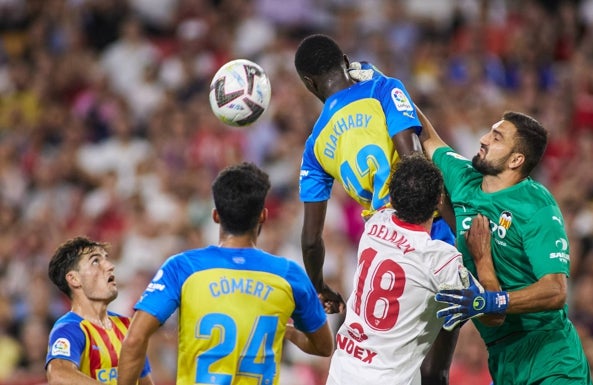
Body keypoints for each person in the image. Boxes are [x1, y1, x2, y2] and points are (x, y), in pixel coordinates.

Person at [294, 34, 456, 384]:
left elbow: (310, 239)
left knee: (378, 358)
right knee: (434, 369)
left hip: (381, 245)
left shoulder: (314, 146)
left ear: (309, 83)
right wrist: (454, 226)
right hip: (429, 232)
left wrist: (320, 286)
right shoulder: (382, 90)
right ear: (345, 59)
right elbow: (414, 160)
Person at [414, 108, 593, 384]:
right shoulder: (464, 178)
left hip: (551, 357)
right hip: (502, 360)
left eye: (496, 137)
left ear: (516, 159)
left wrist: (491, 300)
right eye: (490, 131)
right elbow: (427, 136)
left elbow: (555, 290)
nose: (484, 139)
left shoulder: (537, 207)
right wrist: (384, 85)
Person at [117, 162, 334, 385]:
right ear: (263, 216)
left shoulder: (183, 267)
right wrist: (288, 332)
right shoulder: (289, 275)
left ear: (215, 215)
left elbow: (134, 340)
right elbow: (324, 346)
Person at [324, 153, 476, 385]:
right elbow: (492, 312)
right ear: (439, 202)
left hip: (342, 372)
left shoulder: (374, 224)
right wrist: (482, 258)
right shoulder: (438, 259)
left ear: (393, 199)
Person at [45, 236, 154, 385]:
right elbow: (59, 376)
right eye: (95, 261)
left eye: (106, 259)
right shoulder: (69, 329)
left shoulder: (128, 326)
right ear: (74, 279)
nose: (110, 265)